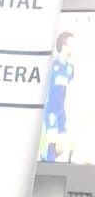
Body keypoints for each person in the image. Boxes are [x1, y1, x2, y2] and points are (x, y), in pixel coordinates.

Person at [42, 30, 75, 162]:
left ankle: (44, 157)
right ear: (64, 46)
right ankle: (47, 160)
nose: (74, 48)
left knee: (62, 148)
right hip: (50, 110)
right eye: (72, 44)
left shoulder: (70, 67)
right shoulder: (51, 64)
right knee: (52, 144)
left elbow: (69, 90)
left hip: (61, 112)